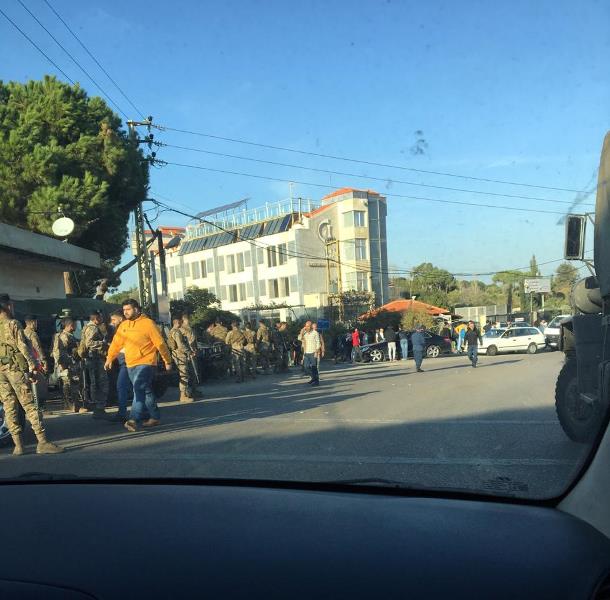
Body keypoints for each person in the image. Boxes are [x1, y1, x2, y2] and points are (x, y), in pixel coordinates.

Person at [0, 301, 63, 454]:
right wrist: (33, 366)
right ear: (7, 308)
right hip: (15, 370)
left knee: (9, 407)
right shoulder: (13, 324)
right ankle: (42, 442)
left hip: (1, 372)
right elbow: (22, 346)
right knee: (29, 405)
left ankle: (18, 446)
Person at [104, 299, 172, 432]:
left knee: (138, 389)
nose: (125, 312)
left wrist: (167, 361)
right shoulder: (124, 325)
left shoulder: (148, 324)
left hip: (146, 363)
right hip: (130, 363)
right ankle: (155, 416)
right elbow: (116, 344)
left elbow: (160, 343)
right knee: (145, 390)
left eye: (128, 309)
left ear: (136, 309)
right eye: (124, 310)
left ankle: (133, 419)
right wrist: (109, 359)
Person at [79, 310, 110, 419]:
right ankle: (99, 407)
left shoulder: (87, 327)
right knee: (101, 382)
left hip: (92, 359)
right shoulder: (92, 328)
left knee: (95, 383)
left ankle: (98, 407)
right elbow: (89, 343)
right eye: (100, 318)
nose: (101, 320)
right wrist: (103, 344)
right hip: (95, 359)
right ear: (96, 318)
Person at [53, 317, 85, 413]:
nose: (75, 326)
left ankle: (75, 405)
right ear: (70, 325)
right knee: (70, 385)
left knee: (74, 384)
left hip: (72, 364)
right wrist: (62, 365)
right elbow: (58, 351)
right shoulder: (63, 336)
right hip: (68, 365)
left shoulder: (69, 335)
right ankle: (73, 406)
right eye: (74, 324)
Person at [106, 310, 131, 423]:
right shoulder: (119, 329)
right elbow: (116, 345)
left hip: (129, 360)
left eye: (114, 320)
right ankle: (124, 413)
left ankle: (126, 413)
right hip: (123, 360)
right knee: (124, 387)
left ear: (120, 319)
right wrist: (110, 358)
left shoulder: (126, 328)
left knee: (124, 386)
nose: (112, 323)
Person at [168, 317, 195, 402]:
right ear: (177, 323)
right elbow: (181, 345)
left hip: (176, 354)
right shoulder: (176, 332)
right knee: (184, 375)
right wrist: (189, 352)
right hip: (180, 355)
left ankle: (186, 393)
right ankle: (183, 395)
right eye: (180, 323)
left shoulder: (171, 331)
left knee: (184, 374)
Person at [301, 321, 321, 385]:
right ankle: (313, 378)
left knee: (314, 367)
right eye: (306, 326)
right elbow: (299, 338)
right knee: (306, 367)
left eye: (308, 326)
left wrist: (316, 352)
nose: (307, 327)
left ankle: (316, 381)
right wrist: (302, 331)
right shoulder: (304, 333)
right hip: (306, 353)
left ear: (311, 326)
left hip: (313, 352)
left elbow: (318, 343)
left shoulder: (315, 333)